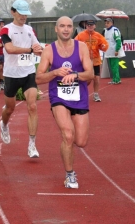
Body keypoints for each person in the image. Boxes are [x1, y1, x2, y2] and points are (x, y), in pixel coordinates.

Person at [36, 16, 94, 188]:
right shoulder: (49, 51)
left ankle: (67, 148)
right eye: (62, 26)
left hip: (79, 97)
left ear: (73, 29)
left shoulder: (82, 47)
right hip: (58, 98)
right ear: (56, 29)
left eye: (69, 26)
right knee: (68, 135)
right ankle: (70, 175)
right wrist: (55, 73)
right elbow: (38, 78)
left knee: (81, 141)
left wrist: (75, 75)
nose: (66, 29)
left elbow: (90, 74)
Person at [0, 0, 43, 158]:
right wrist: (30, 50)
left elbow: (37, 48)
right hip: (11, 74)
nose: (24, 17)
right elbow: (9, 49)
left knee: (32, 106)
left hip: (29, 72)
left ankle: (32, 145)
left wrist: (41, 51)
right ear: (13, 12)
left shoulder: (30, 29)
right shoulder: (6, 30)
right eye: (21, 13)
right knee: (10, 109)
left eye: (26, 14)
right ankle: (4, 124)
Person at [74, 20, 109, 102]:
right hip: (84, 61)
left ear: (95, 26)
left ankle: (96, 94)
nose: (90, 26)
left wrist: (103, 46)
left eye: (92, 25)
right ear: (86, 26)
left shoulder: (98, 36)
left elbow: (104, 45)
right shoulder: (81, 35)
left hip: (95, 61)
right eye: (88, 25)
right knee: (88, 79)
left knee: (96, 78)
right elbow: (74, 44)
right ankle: (81, 91)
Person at [102, 18, 124, 85]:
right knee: (112, 66)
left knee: (115, 66)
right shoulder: (105, 30)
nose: (106, 24)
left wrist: (117, 49)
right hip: (109, 51)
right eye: (105, 23)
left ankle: (117, 79)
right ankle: (114, 79)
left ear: (112, 23)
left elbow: (118, 40)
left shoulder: (115, 30)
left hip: (114, 51)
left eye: (108, 23)